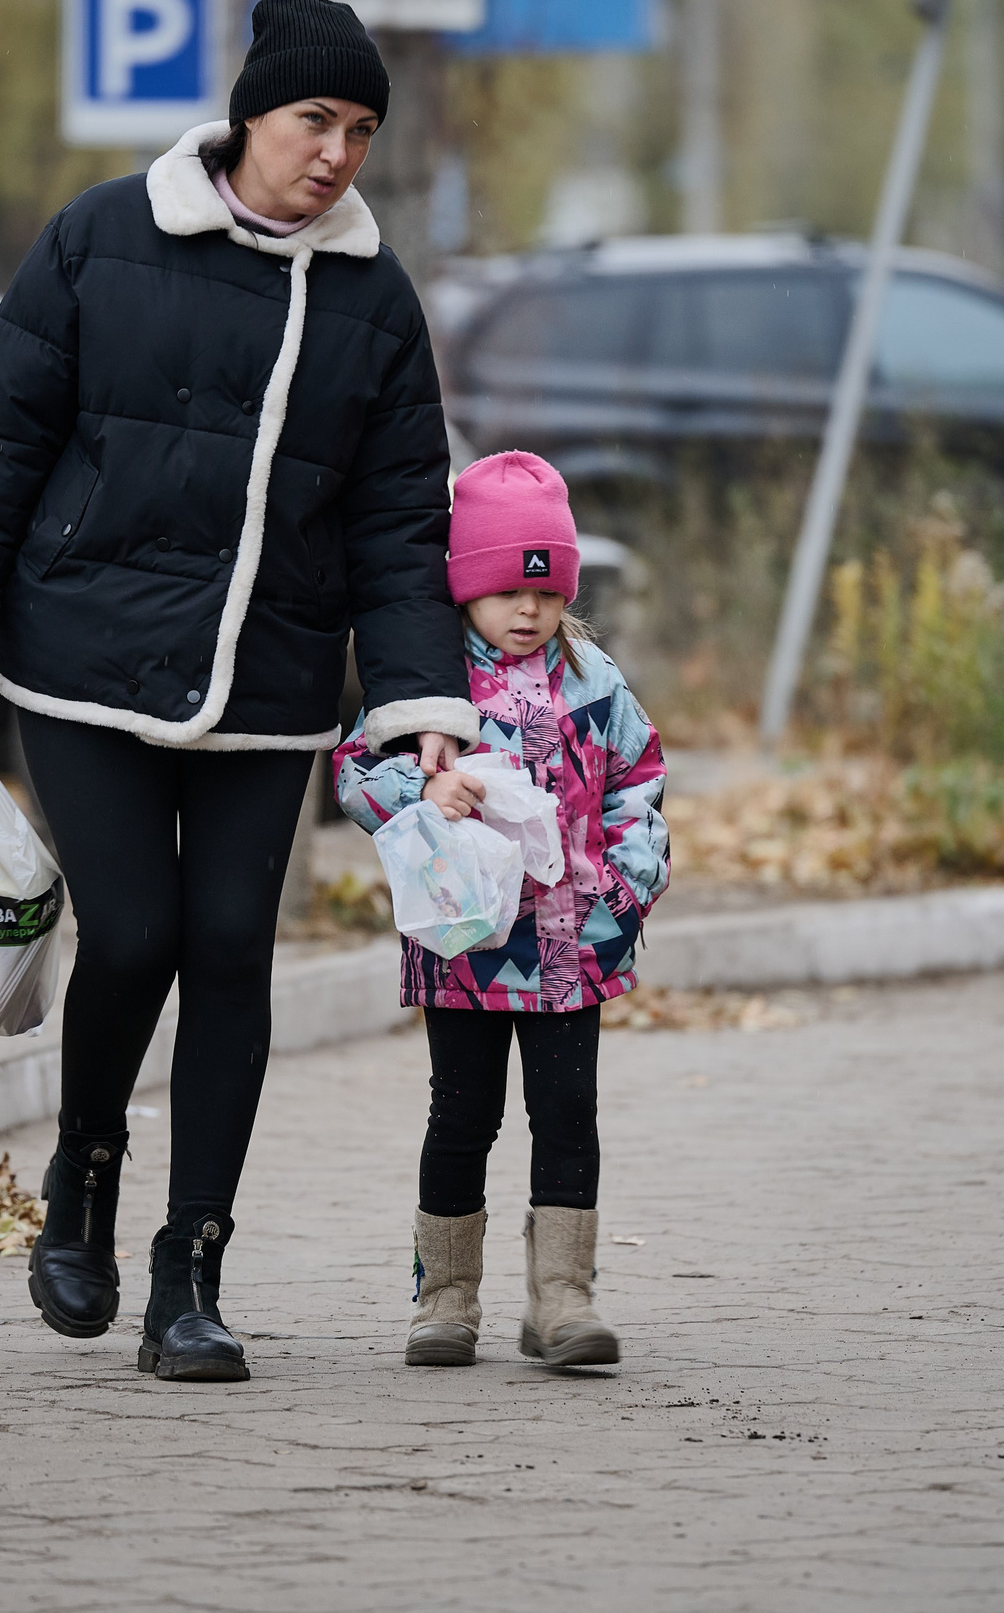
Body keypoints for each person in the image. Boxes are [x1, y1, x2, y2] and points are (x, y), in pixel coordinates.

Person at [0, 0, 480, 1383]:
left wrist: (422, 704)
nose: (337, 153)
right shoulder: (102, 236)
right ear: (252, 115)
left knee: (229, 951)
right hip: (80, 661)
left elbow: (400, 524)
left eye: (362, 130)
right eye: (314, 120)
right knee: (134, 935)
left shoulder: (375, 298)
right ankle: (84, 1171)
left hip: (269, 679)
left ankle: (189, 1275)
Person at [332, 450, 670, 1368]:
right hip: (466, 946)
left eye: (547, 592)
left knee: (568, 1111)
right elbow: (353, 770)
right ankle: (443, 1298)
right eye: (503, 590)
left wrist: (629, 883)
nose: (528, 611)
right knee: (463, 1113)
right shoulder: (433, 684)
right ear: (462, 587)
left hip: (573, 945)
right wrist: (420, 791)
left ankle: (562, 1299)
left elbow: (639, 779)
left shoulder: (593, 681)